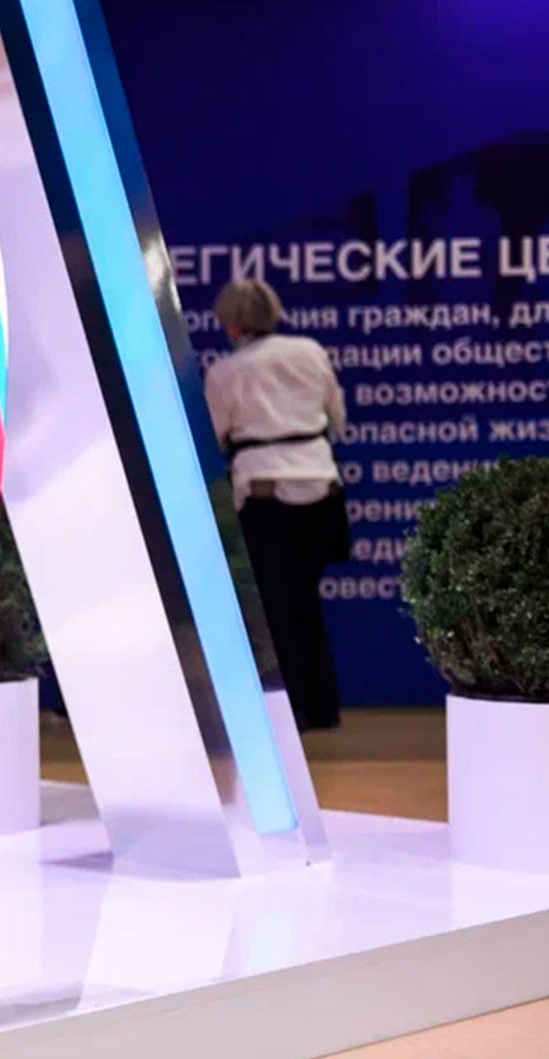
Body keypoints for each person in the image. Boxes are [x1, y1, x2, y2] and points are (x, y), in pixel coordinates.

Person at [205, 278, 347, 731]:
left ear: (233, 324)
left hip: (265, 496)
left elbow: (215, 435)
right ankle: (323, 707)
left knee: (273, 606)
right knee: (306, 597)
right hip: (321, 488)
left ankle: (290, 710)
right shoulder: (310, 351)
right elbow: (337, 418)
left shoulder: (227, 372)